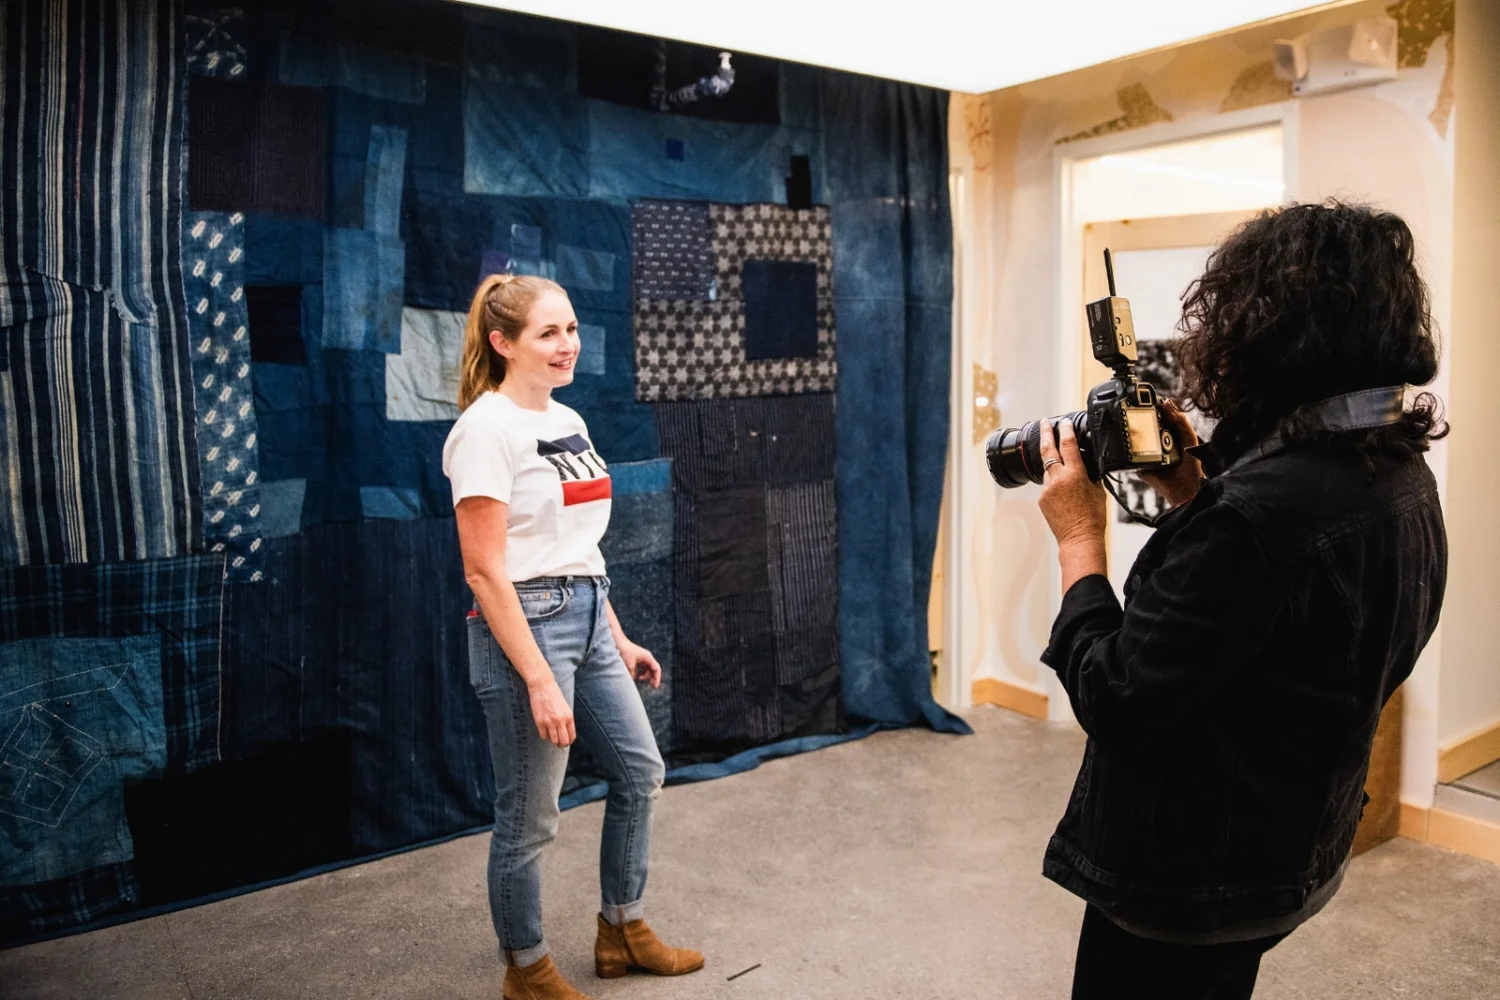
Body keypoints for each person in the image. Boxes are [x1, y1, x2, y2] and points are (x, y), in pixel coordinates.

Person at [1032, 202, 1448, 999]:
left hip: (1189, 881)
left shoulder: (1258, 515)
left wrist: (1078, 539)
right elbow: (1281, 630)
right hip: (1289, 846)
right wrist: (1193, 491)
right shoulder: (1398, 471)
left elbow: (1115, 695)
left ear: (1271, 334)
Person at [443, 274, 704, 1000]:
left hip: (587, 616)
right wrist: (538, 678)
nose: (568, 345)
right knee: (529, 818)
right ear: (503, 343)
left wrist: (615, 635)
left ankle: (622, 930)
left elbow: (578, 550)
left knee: (640, 773)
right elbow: (484, 570)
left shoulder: (568, 419)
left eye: (573, 329)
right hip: (524, 630)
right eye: (548, 333)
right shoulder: (485, 431)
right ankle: (525, 969)